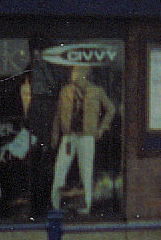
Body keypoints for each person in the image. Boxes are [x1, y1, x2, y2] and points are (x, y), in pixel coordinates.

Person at [50, 64, 117, 214]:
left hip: (86, 136)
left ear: (84, 73)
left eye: (76, 71)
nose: (73, 74)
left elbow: (111, 109)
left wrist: (101, 128)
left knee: (86, 171)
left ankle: (85, 208)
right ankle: (55, 206)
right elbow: (58, 114)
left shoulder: (96, 91)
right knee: (60, 169)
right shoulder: (66, 91)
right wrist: (55, 135)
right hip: (69, 136)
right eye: (73, 71)